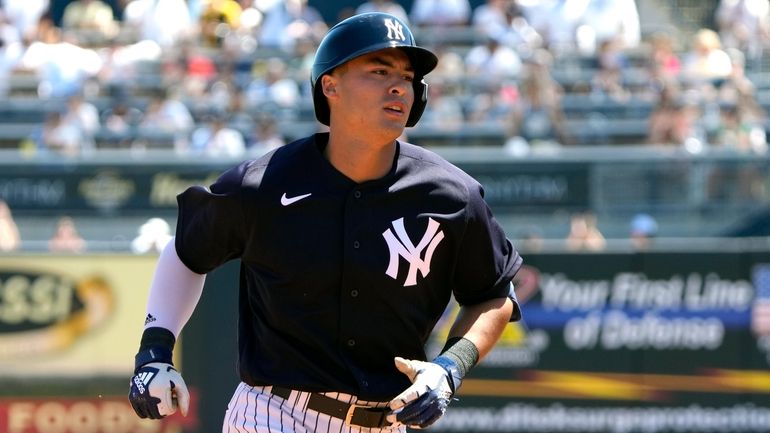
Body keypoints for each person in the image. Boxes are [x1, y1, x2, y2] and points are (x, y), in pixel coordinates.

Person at [127, 12, 522, 433]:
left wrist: (449, 366)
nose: (398, 86)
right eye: (378, 70)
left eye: (408, 77)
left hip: (387, 422)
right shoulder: (263, 183)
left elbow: (495, 295)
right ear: (329, 85)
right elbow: (187, 251)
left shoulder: (451, 195)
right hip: (273, 412)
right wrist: (154, 350)